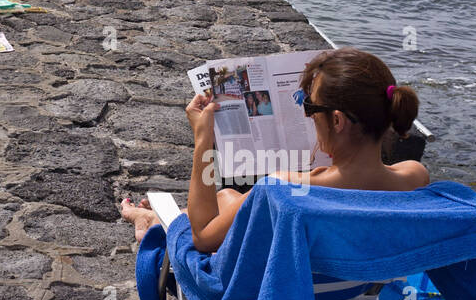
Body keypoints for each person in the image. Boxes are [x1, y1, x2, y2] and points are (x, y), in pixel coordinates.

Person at [121, 47, 429, 252]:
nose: (307, 114)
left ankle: (156, 222)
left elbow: (202, 238)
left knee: (227, 200)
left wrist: (203, 137)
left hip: (289, 298)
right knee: (229, 197)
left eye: (310, 105)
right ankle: (154, 220)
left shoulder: (283, 186)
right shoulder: (414, 177)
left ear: (337, 121)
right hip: (348, 296)